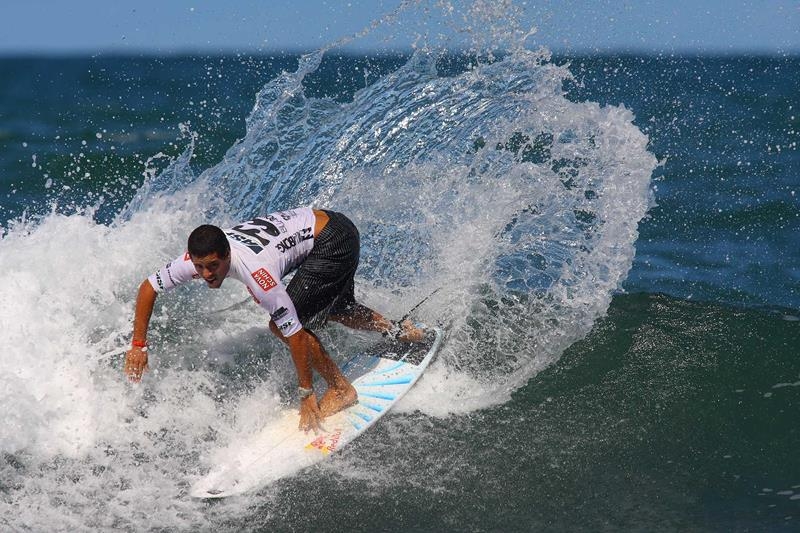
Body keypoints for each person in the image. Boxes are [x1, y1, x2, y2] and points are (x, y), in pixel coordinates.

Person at [124, 207, 424, 431]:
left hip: (333, 240)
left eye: (214, 266)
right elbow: (149, 287)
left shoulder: (257, 274)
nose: (207, 275)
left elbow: (294, 334)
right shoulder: (194, 261)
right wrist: (139, 345)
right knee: (337, 308)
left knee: (281, 325)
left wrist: (306, 393)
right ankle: (399, 331)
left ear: (227, 254)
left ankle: (341, 389)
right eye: (200, 267)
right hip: (331, 226)